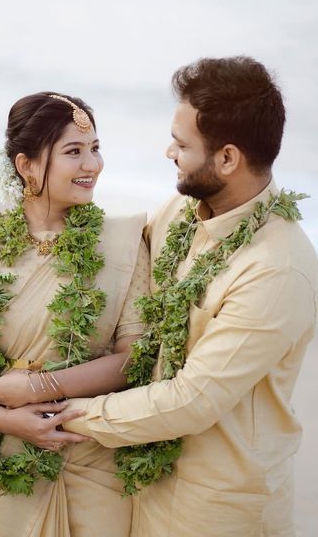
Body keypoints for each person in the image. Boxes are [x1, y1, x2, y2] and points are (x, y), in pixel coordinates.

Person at [63, 57, 318, 536]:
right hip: (141, 484)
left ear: (226, 158)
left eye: (182, 145)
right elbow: (116, 266)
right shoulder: (181, 212)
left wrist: (60, 414)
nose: (167, 152)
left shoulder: (278, 269)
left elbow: (192, 400)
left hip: (218, 508)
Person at [0, 92, 150, 537]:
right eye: (74, 152)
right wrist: (2, 418)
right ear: (26, 165)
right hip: (3, 463)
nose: (93, 165)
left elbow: (133, 358)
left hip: (91, 453)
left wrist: (39, 386)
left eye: (96, 148)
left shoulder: (123, 246)